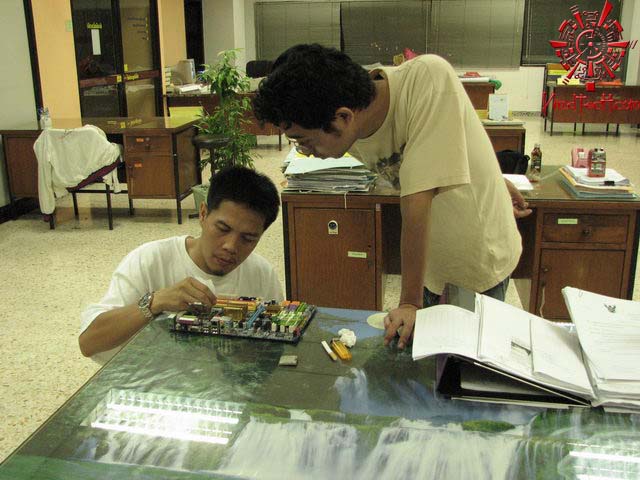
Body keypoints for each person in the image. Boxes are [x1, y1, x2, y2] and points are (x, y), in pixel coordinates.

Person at [253, 44, 531, 350]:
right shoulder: (352, 113)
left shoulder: (428, 78)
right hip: (430, 264)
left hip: (478, 253)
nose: (305, 152)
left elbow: (416, 202)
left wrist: (409, 302)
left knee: (466, 363)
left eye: (304, 141)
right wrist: (493, 177)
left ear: (343, 117)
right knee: (426, 358)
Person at [79, 166, 284, 360]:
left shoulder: (261, 274)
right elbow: (89, 343)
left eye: (248, 239)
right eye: (222, 229)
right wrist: (155, 302)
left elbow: (278, 346)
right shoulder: (150, 260)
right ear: (203, 214)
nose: (231, 246)